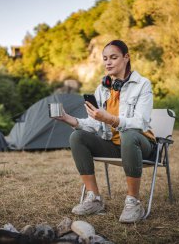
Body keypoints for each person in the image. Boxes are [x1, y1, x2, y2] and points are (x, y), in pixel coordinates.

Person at [54, 39, 156, 223]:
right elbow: (95, 125)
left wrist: (110, 119)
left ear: (126, 58)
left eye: (113, 57)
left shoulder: (143, 84)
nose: (108, 62)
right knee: (77, 137)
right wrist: (71, 120)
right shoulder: (102, 89)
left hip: (140, 144)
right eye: (105, 58)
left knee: (129, 134)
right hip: (113, 145)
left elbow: (140, 122)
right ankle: (94, 198)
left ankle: (134, 202)